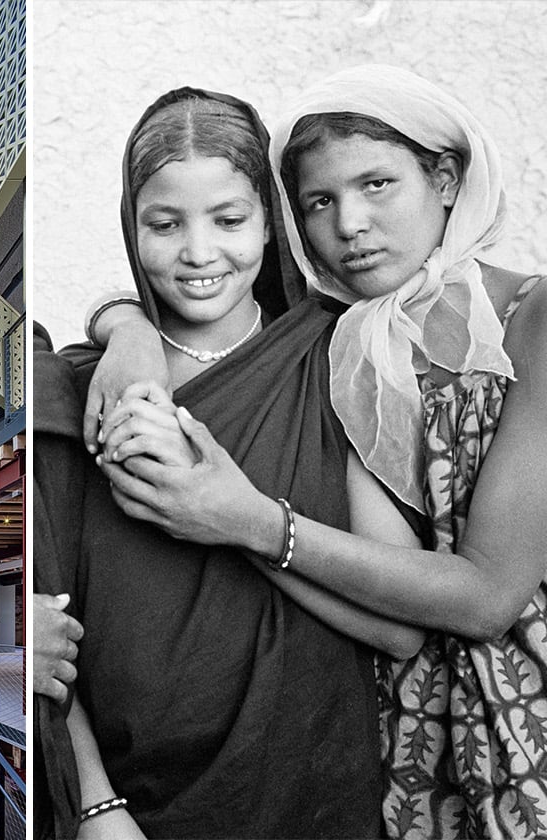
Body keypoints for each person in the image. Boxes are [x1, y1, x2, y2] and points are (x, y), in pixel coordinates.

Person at [96, 65, 547, 839]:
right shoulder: (347, 333)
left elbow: (486, 596)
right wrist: (125, 326)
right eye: (319, 202)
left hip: (521, 691)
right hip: (398, 725)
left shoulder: (521, 319)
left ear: (446, 177)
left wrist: (247, 520)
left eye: (377, 185)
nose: (350, 226)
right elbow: (190, 282)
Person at [34, 87, 420, 839]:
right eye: (165, 224)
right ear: (130, 226)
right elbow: (50, 625)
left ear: (271, 224)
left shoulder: (334, 358)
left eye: (231, 220)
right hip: (130, 808)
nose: (201, 253)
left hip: (311, 783)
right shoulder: (75, 386)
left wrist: (236, 519)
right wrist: (95, 803)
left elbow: (401, 625)